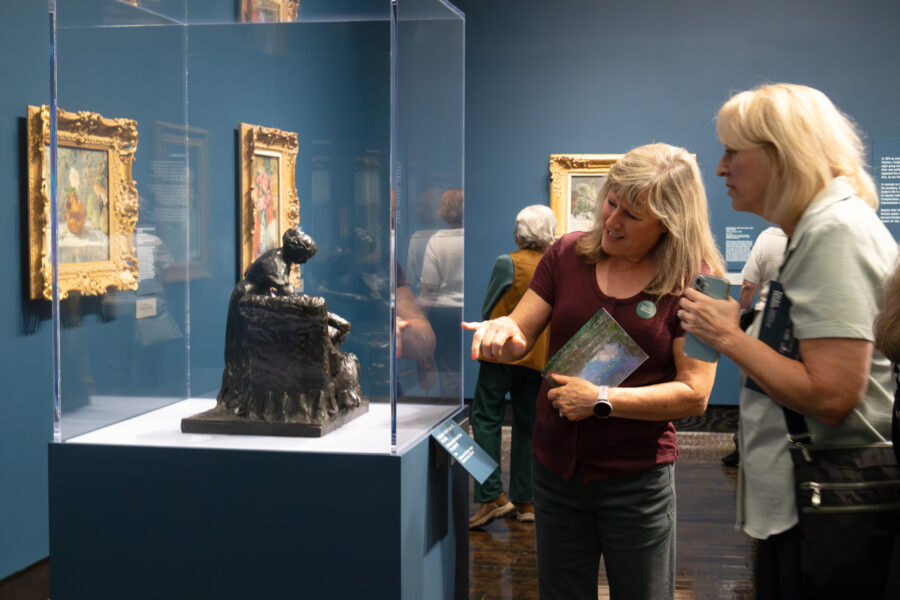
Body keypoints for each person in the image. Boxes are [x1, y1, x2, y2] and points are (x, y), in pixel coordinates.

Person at [464, 143, 724, 599]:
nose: (611, 220)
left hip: (635, 482)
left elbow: (696, 393)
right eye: (611, 202)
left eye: (631, 215)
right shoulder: (566, 254)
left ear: (670, 223)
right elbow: (520, 334)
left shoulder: (700, 284)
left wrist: (602, 400)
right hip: (554, 472)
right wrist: (502, 332)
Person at [678, 83, 899, 599]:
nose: (720, 168)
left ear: (782, 156)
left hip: (831, 504)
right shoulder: (816, 229)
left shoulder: (834, 233)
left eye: (733, 152)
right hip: (809, 502)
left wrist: (728, 337)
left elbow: (831, 396)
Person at [469, 205, 556, 529]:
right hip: (537, 356)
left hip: (500, 353)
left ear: (519, 231)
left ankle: (491, 495)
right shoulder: (553, 263)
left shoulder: (508, 262)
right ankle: (525, 500)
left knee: (485, 418)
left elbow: (488, 307)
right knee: (528, 426)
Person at [722, 226, 789, 467]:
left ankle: (744, 448)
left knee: (754, 389)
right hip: (798, 320)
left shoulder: (768, 237)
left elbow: (749, 285)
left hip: (765, 320)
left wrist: (741, 312)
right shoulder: (812, 234)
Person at [419, 188, 464, 398]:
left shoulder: (437, 240)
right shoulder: (470, 238)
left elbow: (429, 286)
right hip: (470, 310)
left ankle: (451, 407)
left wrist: (423, 315)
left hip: (444, 313)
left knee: (447, 367)